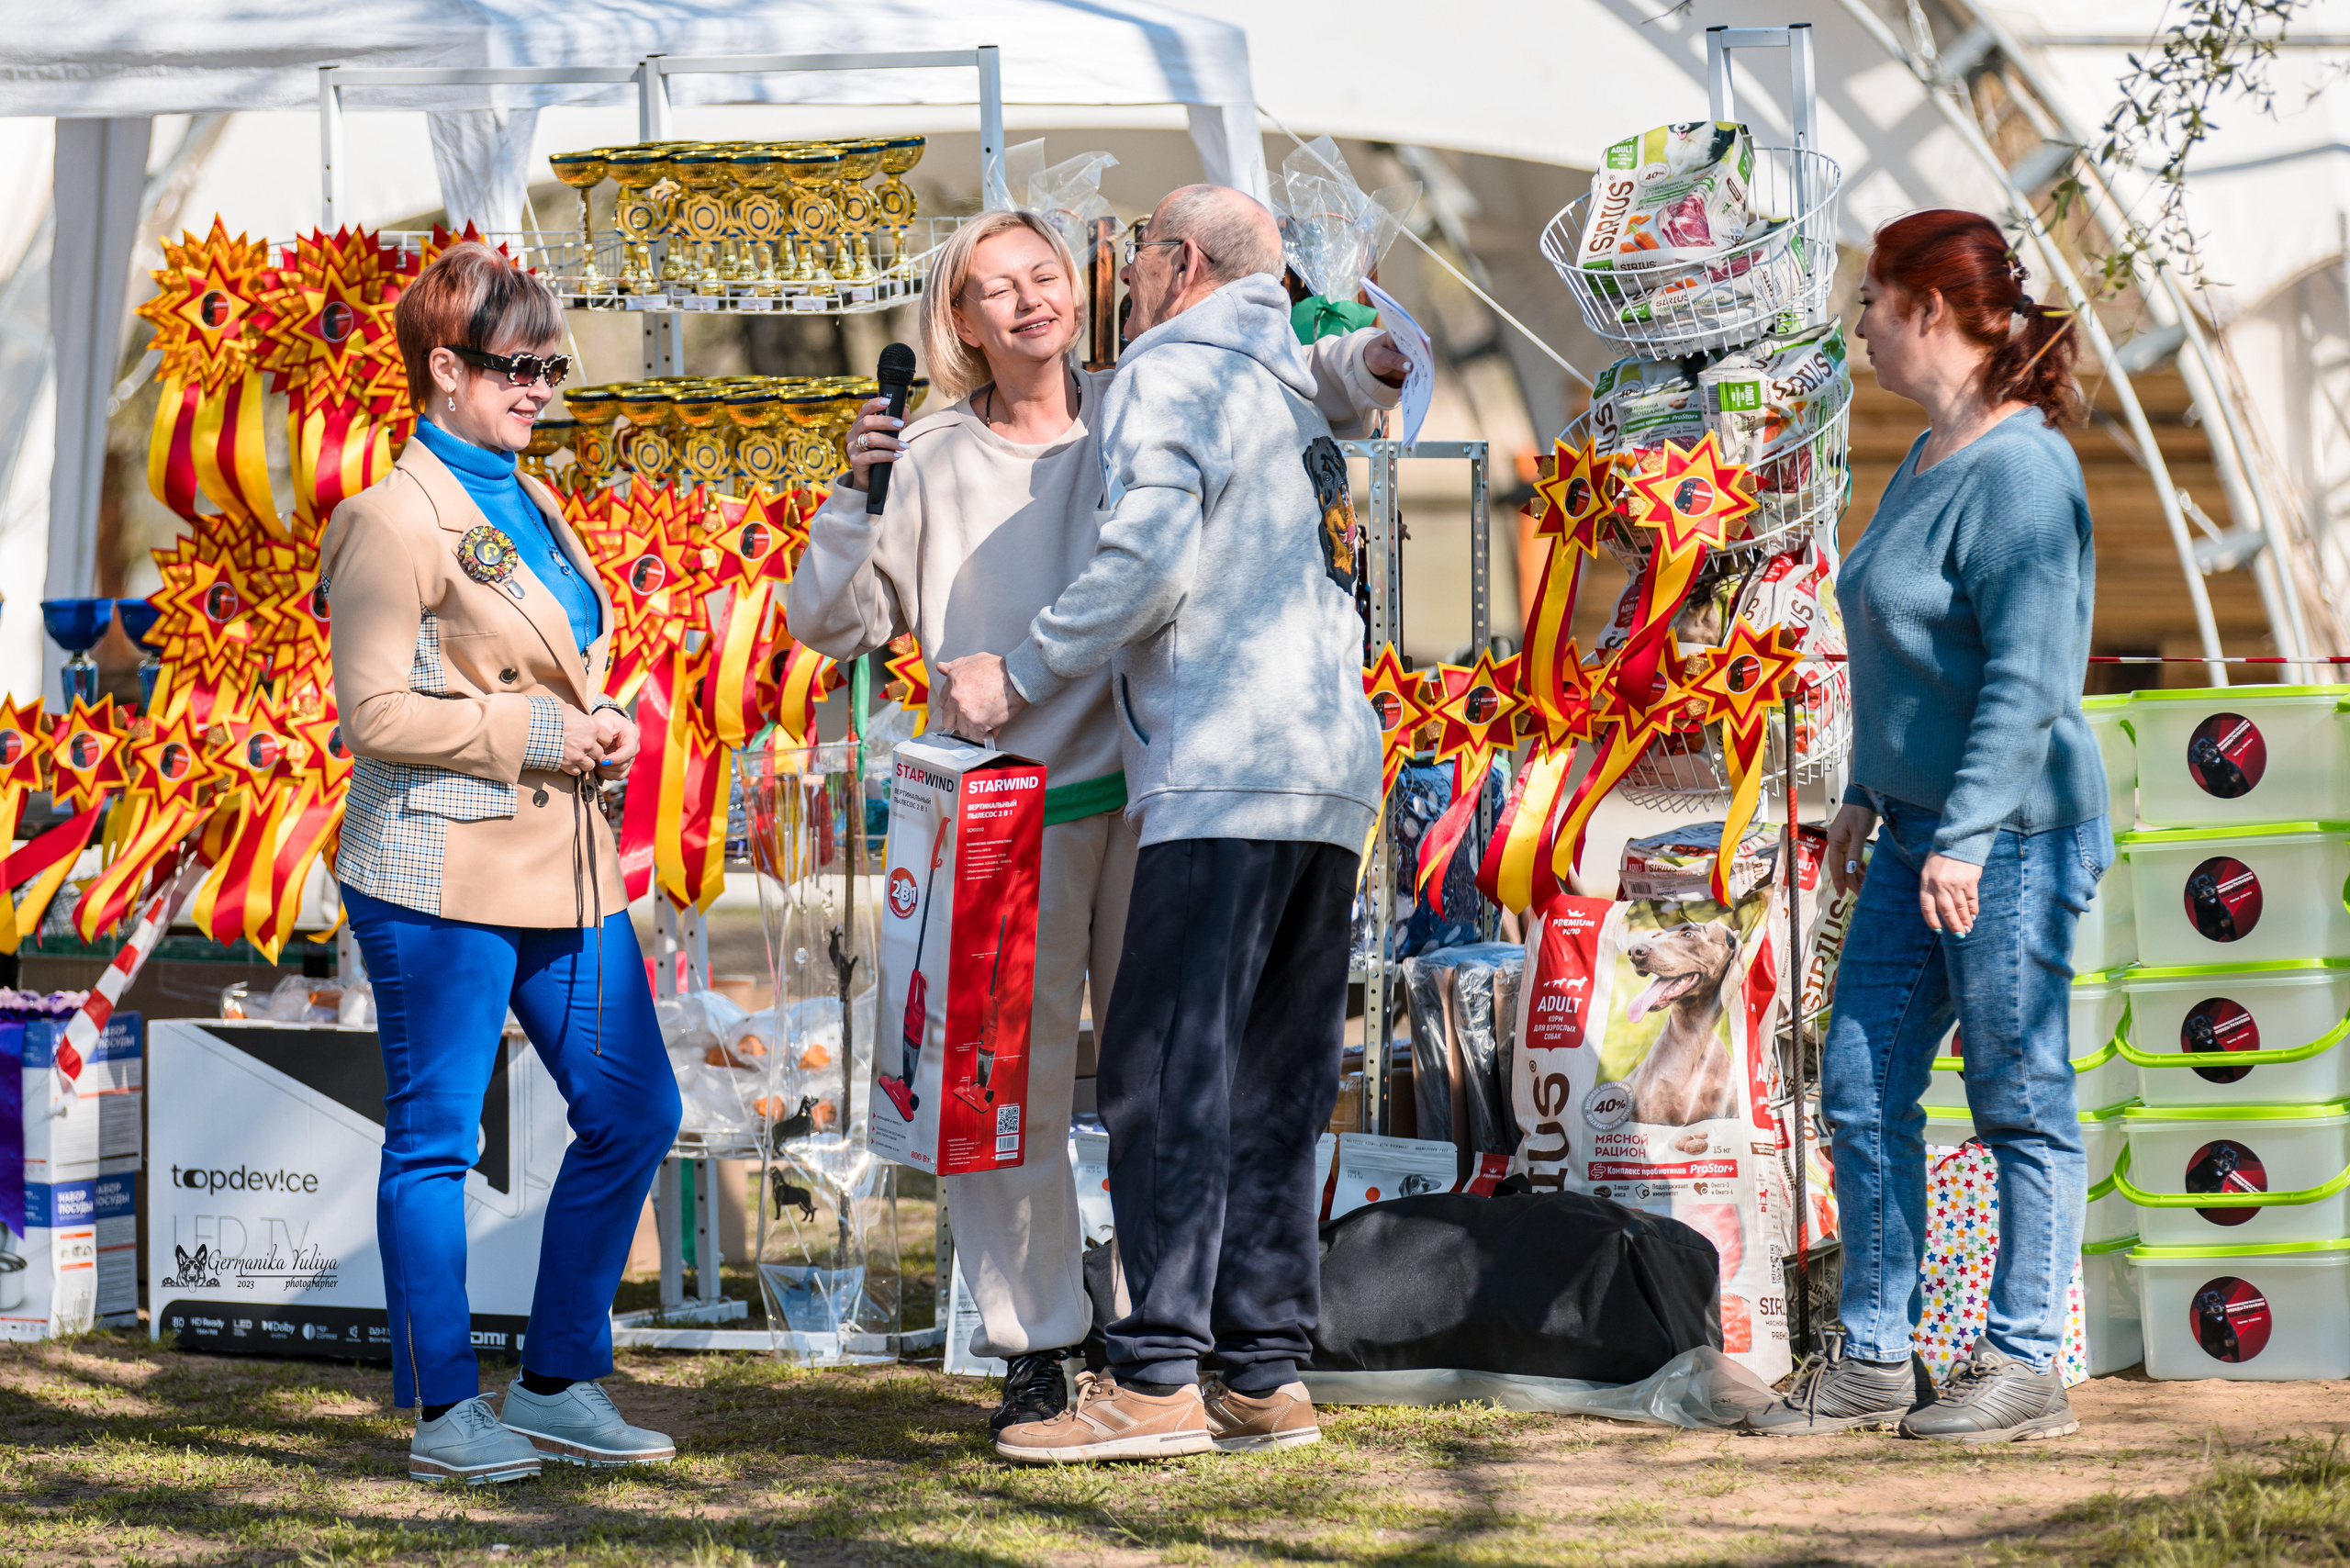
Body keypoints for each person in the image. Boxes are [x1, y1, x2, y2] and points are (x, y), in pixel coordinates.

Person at [788, 207, 1403, 1436]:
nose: (1029, 300)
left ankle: (1157, 1344)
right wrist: (857, 499)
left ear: (1086, 282)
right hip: (1002, 802)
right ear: (956, 321)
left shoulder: (1147, 396)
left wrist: (1367, 354)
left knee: (1171, 1081)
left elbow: (1300, 390)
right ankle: (1034, 1341)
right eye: (992, 287)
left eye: (1043, 272)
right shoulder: (929, 453)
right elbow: (832, 621)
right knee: (1000, 1087)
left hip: (1149, 791)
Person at [1740, 210, 2106, 1442]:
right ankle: (1875, 1356)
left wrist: (1965, 832)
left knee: (2015, 1095)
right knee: (1857, 1083)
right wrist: (1864, 790)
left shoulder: (2023, 471)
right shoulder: (1930, 454)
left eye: (1869, 309)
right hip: (1912, 828)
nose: (1858, 333)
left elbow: (2025, 676)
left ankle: (2022, 1364)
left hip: (2006, 840)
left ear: (1928, 313)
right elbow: (1910, 654)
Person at [323, 242, 682, 1484]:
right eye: (514, 367)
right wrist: (537, 729)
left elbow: (553, 660)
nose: (538, 387)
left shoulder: (529, 496)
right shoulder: (387, 516)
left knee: (637, 1113)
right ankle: (441, 1414)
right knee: (434, 1143)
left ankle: (553, 1378)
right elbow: (370, 714)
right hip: (434, 870)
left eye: (548, 365)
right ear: (443, 368)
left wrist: (605, 717)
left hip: (564, 860)